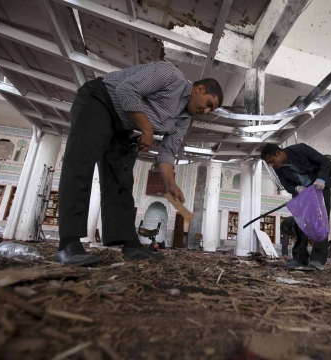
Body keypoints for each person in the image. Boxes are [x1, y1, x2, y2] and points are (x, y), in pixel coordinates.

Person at [55, 61, 222, 266]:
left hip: (122, 125)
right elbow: (126, 89)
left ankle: (130, 244)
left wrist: (170, 184)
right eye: (208, 104)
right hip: (100, 100)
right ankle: (68, 244)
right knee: (80, 165)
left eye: (210, 110)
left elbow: (168, 151)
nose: (206, 111)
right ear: (200, 88)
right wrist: (147, 129)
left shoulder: (183, 120)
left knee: (121, 179)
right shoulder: (169, 75)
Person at [261, 143, 331, 270]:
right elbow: (286, 184)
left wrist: (321, 179)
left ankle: (317, 259)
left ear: (278, 153)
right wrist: (296, 188)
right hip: (301, 193)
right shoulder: (278, 168)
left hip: (319, 188)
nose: (271, 165)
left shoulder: (300, 149)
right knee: (300, 223)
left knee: (320, 223)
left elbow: (325, 163)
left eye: (271, 161)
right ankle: (299, 258)